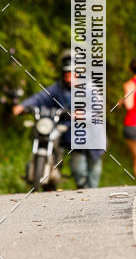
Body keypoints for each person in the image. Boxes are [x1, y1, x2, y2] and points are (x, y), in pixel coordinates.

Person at [12, 49, 105, 188]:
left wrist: (82, 116)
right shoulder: (58, 88)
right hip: (76, 141)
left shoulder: (90, 89)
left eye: (72, 75)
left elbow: (98, 111)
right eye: (66, 75)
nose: (69, 78)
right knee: (79, 171)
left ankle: (93, 197)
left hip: (94, 140)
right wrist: (23, 106)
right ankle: (84, 193)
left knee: (94, 173)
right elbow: (40, 97)